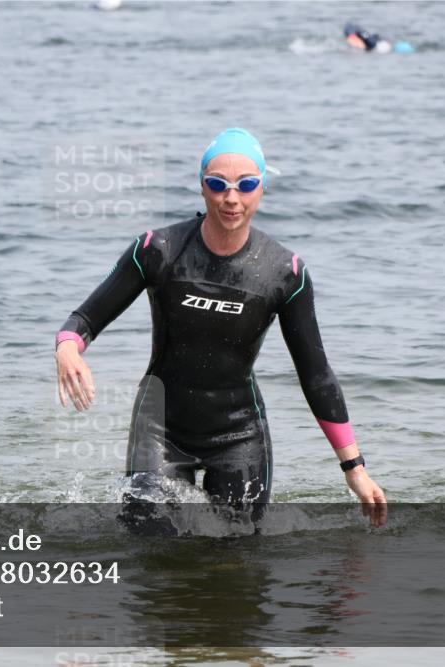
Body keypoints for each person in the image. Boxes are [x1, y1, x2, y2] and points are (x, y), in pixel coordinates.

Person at [55, 128, 386, 529]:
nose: (232, 198)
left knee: (238, 559)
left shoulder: (284, 272)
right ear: (202, 187)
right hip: (160, 428)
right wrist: (68, 347)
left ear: (261, 189)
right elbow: (86, 319)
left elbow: (316, 375)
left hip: (238, 435)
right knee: (149, 549)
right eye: (218, 184)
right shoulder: (157, 250)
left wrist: (354, 467)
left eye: (246, 186)